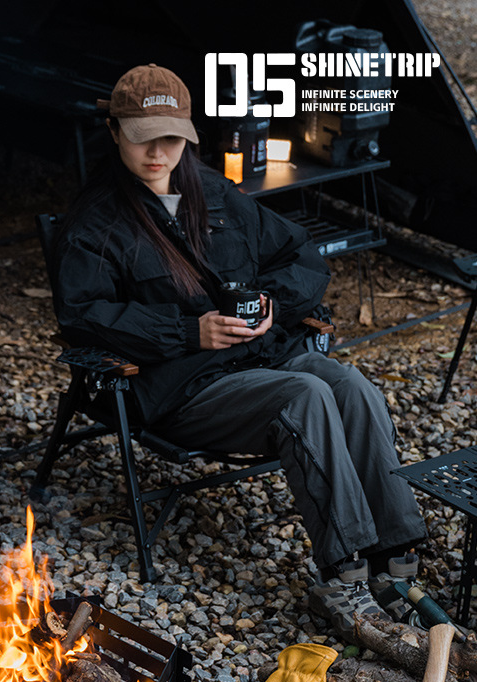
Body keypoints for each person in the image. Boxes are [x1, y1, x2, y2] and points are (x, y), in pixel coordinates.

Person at [51, 63, 426, 640]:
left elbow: (301, 255)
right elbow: (84, 316)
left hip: (260, 355)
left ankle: (397, 559)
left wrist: (272, 301)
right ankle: (345, 576)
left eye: (171, 137)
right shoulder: (97, 222)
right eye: (142, 136)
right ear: (115, 132)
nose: (158, 151)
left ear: (188, 134)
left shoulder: (215, 193)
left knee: (351, 386)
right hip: (187, 386)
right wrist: (187, 333)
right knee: (305, 397)